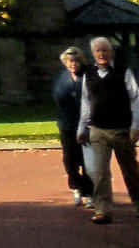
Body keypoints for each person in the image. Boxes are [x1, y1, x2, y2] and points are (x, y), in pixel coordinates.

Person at [77, 35, 139, 224]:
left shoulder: (123, 72)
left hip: (121, 130)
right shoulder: (88, 74)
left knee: (130, 170)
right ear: (93, 54)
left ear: (111, 52)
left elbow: (135, 99)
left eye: (105, 50)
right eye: (98, 51)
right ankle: (102, 210)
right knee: (99, 173)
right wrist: (81, 127)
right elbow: (85, 102)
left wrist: (135, 126)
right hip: (97, 130)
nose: (102, 54)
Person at [53, 47, 95, 206]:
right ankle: (76, 187)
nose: (73, 64)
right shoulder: (60, 78)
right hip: (67, 125)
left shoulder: (89, 76)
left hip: (87, 125)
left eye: (76, 61)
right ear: (65, 63)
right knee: (70, 160)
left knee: (87, 161)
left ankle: (89, 192)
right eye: (70, 61)